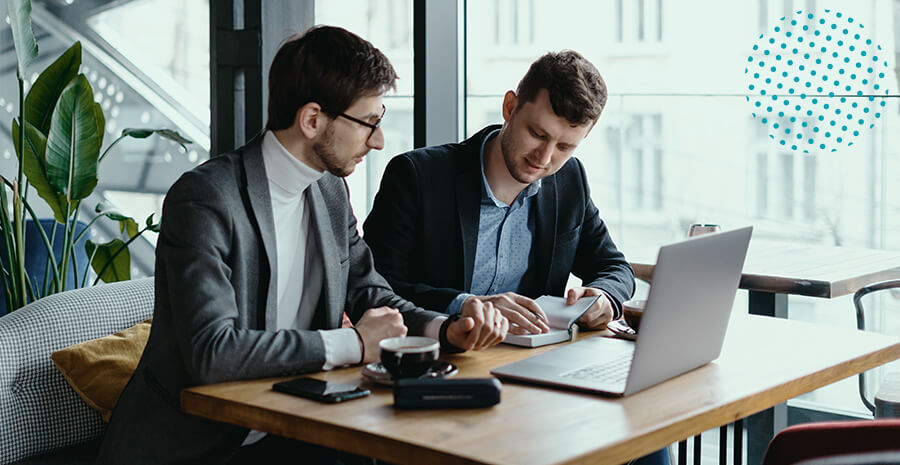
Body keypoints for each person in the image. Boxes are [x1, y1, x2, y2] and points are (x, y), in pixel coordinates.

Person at [96, 26, 506, 465]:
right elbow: (212, 353)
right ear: (312, 120)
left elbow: (370, 294)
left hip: (292, 427)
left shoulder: (329, 190)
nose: (379, 140)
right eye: (369, 123)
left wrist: (445, 329)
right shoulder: (206, 198)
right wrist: (353, 345)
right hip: (191, 446)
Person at [363, 50, 670, 465]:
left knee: (648, 426)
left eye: (564, 146)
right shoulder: (418, 177)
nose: (544, 158)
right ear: (510, 107)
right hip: (448, 377)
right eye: (537, 134)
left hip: (535, 379)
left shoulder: (568, 180)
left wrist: (604, 298)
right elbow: (378, 288)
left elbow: (613, 266)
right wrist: (464, 305)